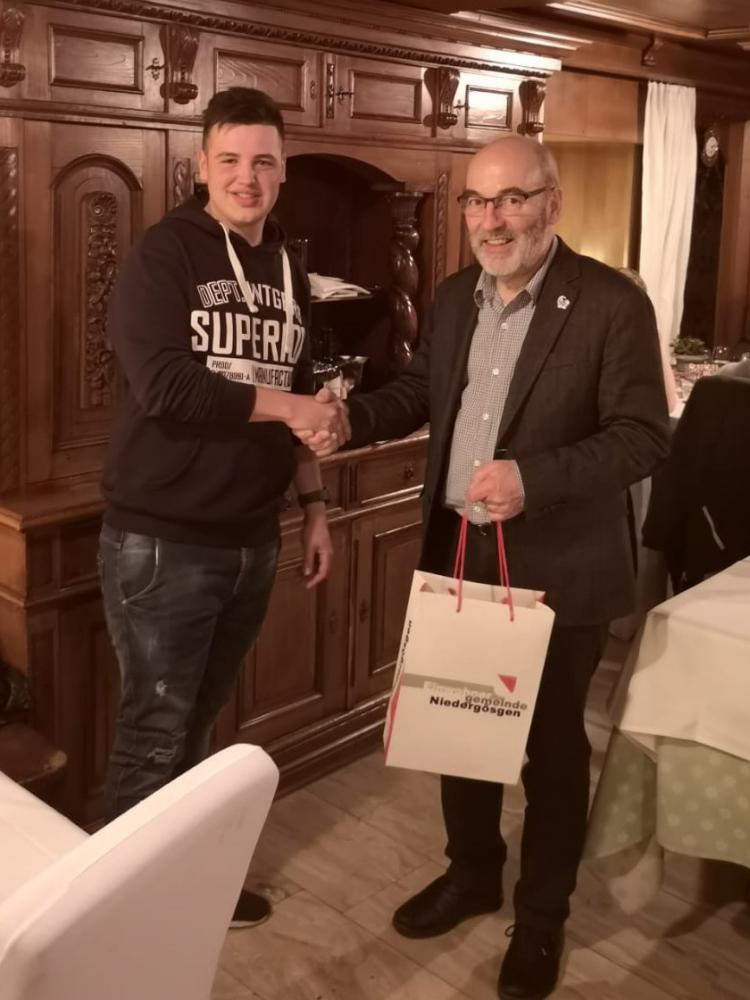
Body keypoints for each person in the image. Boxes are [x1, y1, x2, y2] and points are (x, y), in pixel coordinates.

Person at [301, 136, 670, 999]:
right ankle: (472, 874)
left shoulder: (612, 302)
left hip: (561, 568)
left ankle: (540, 920)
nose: (491, 220)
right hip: (462, 554)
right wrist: (350, 419)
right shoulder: (454, 296)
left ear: (552, 203)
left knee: (550, 753)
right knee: (459, 731)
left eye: (512, 199)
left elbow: (644, 437)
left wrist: (532, 479)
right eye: (476, 201)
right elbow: (421, 391)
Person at [98, 87, 349, 928]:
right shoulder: (164, 253)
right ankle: (117, 925)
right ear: (201, 166)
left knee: (199, 726)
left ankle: (185, 888)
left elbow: (297, 385)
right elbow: (168, 386)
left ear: (283, 172)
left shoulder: (287, 266)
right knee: (152, 733)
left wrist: (314, 505)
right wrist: (294, 407)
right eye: (231, 160)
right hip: (163, 541)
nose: (248, 177)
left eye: (265, 161)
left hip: (253, 537)